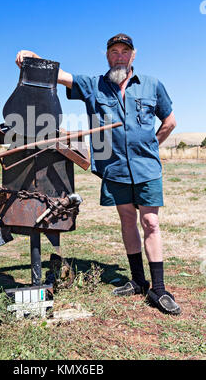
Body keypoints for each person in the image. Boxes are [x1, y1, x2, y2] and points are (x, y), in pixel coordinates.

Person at [15, 33, 181, 315]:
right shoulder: (95, 86)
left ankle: (160, 289)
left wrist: (151, 145)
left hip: (147, 169)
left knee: (151, 222)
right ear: (107, 56)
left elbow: (170, 121)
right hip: (114, 170)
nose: (119, 55)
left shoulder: (152, 85)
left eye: (124, 51)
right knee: (128, 221)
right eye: (114, 51)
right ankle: (139, 281)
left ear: (133, 55)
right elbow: (62, 76)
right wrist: (32, 58)